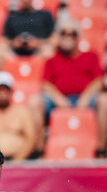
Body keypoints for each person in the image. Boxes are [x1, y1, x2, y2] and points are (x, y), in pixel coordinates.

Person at [27, 17, 103, 153]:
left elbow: (98, 81)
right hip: (59, 100)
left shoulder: (91, 56)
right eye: (64, 33)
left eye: (72, 33)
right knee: (35, 102)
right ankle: (39, 150)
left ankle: (101, 149)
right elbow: (45, 84)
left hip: (86, 99)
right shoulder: (51, 60)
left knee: (104, 101)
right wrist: (59, 99)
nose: (68, 37)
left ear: (78, 37)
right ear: (58, 37)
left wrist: (85, 98)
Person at [0, 0, 54, 70]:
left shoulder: (45, 14)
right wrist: (14, 43)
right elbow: (3, 40)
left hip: (38, 52)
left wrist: (36, 43)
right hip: (15, 54)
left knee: (49, 52)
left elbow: (54, 40)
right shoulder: (12, 17)